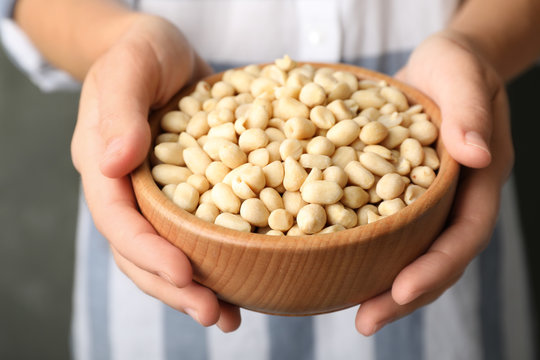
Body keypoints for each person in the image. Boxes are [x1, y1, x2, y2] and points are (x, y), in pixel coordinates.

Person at [1, 0, 538, 358]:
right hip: (170, 278)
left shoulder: (387, 144)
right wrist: (117, 42)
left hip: (434, 234)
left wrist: (479, 47)